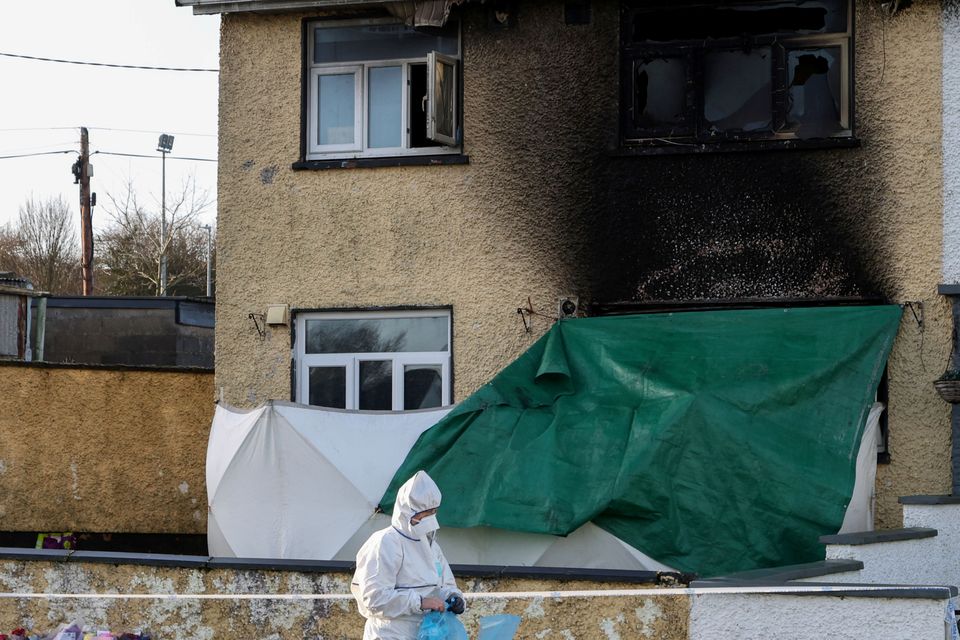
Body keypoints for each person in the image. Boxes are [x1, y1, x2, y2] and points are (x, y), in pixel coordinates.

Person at [351, 470, 466, 640]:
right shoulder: (385, 542)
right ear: (406, 510)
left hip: (425, 632)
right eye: (424, 513)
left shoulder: (431, 545)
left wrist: (453, 597)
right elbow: (374, 598)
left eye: (433, 512)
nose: (429, 518)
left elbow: (443, 584)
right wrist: (420, 602)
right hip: (390, 634)